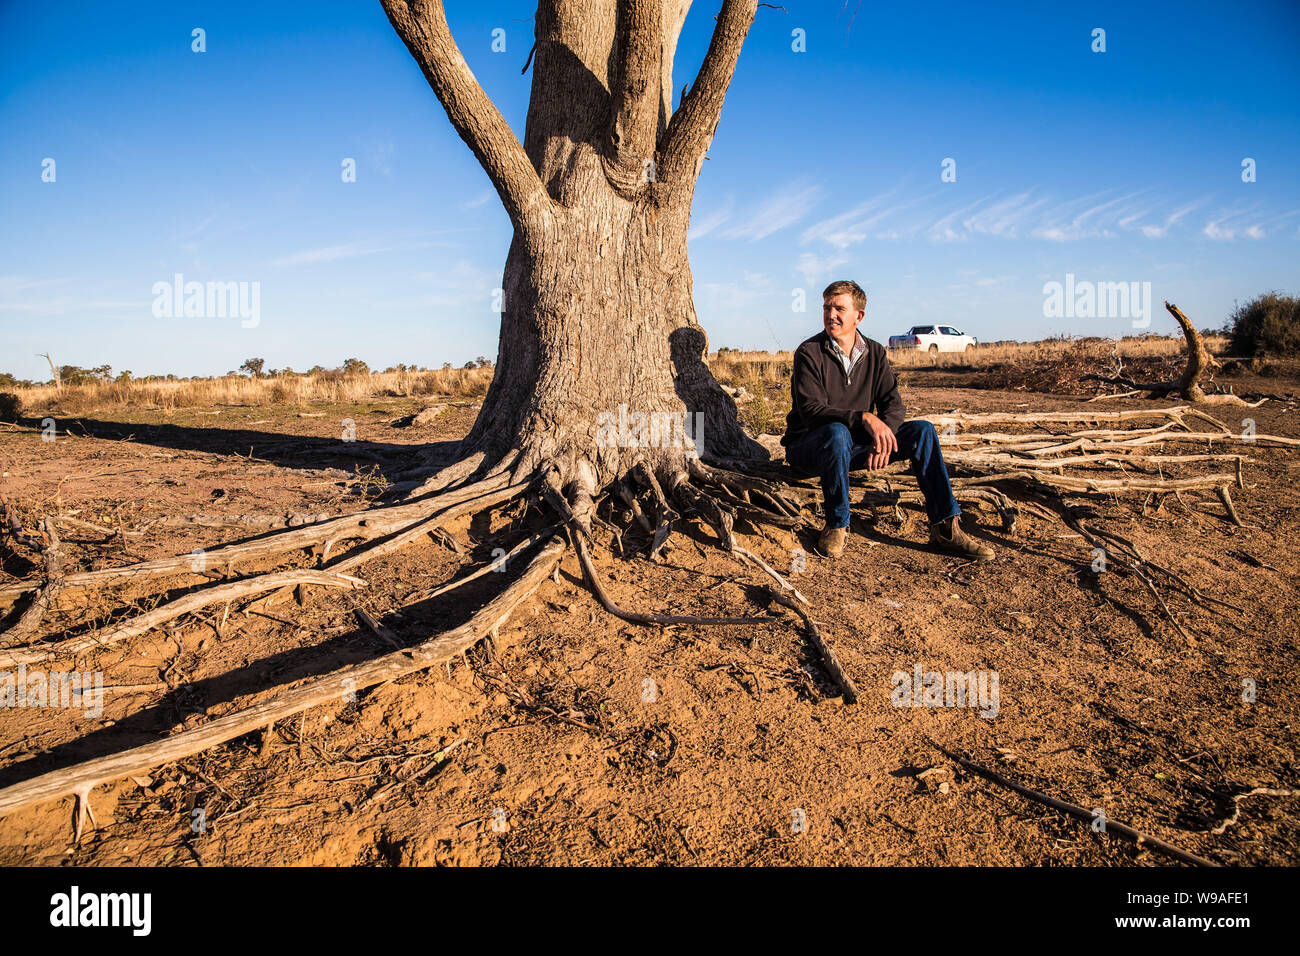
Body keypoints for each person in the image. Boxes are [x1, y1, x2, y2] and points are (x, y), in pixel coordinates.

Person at [781, 279, 993, 561]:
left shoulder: (875, 353)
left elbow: (893, 403)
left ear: (859, 315)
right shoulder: (809, 352)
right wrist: (864, 418)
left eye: (839, 308)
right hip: (810, 448)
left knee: (923, 431)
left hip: (856, 448)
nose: (831, 315)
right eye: (827, 307)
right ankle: (837, 524)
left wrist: (884, 437)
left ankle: (945, 527)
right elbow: (810, 410)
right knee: (836, 432)